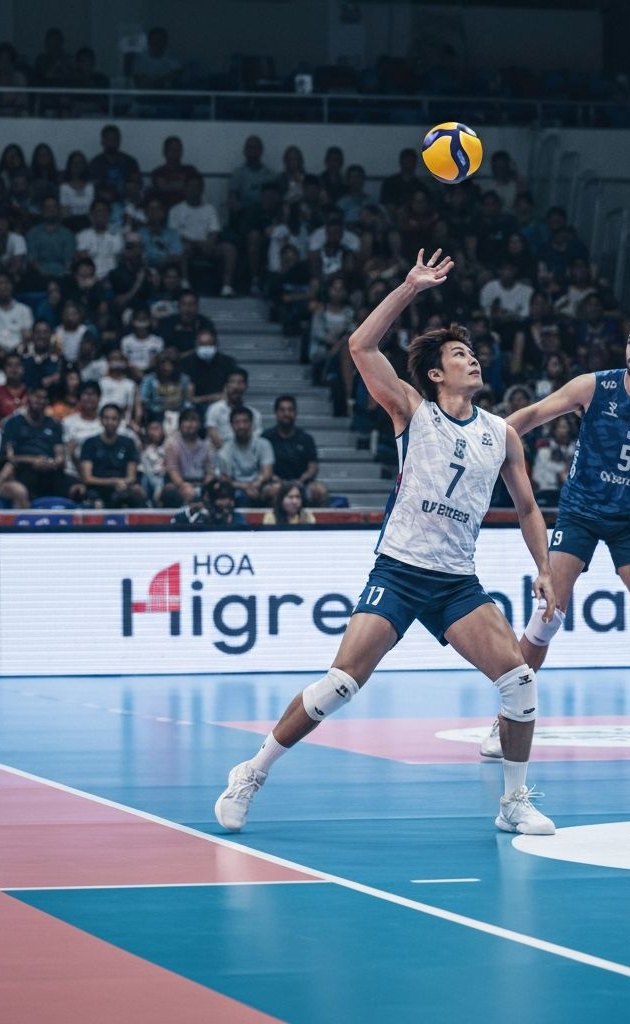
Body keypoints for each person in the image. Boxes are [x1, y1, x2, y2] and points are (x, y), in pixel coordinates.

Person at [214, 249, 557, 837]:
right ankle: (251, 771)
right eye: (459, 355)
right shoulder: (412, 410)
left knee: (519, 680)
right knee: (341, 683)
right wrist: (408, 289)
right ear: (434, 374)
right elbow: (360, 348)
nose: (472, 360)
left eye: (473, 354)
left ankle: (514, 802)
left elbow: (527, 506)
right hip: (399, 570)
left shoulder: (501, 435)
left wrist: (545, 567)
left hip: (456, 582)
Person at [478, 320, 630, 764]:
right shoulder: (594, 387)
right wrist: (483, 441)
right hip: (580, 512)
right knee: (548, 615)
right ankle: (504, 719)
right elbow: (532, 415)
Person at [261, 394, 328, 507]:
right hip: (276, 483)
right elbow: (264, 468)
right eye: (282, 410)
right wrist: (280, 482)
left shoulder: (306, 438)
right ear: (276, 413)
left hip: (302, 483)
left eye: (290, 410)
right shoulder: (266, 437)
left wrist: (300, 482)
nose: (286, 414)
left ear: (296, 413)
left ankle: (313, 522)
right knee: (273, 490)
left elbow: (313, 466)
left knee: (320, 490)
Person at [79, 403, 144, 508]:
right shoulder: (89, 443)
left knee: (134, 495)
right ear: (100, 420)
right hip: (97, 489)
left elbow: (131, 477)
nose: (110, 422)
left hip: (122, 488)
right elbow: (87, 478)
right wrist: (113, 482)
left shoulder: (128, 443)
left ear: (119, 421)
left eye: (114, 419)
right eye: (106, 418)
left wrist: (120, 483)